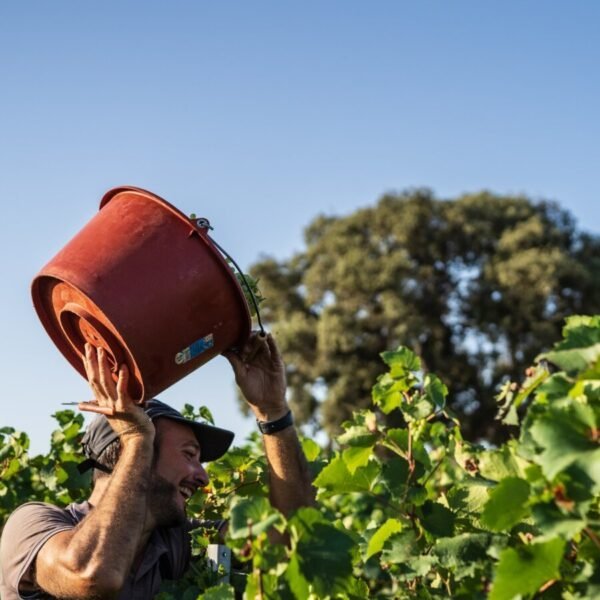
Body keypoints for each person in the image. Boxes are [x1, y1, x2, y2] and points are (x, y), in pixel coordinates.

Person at [0, 332, 314, 599]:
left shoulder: (176, 543)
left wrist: (272, 412)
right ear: (134, 454)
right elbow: (92, 574)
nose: (203, 476)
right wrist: (138, 439)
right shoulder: (34, 524)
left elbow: (290, 538)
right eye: (190, 455)